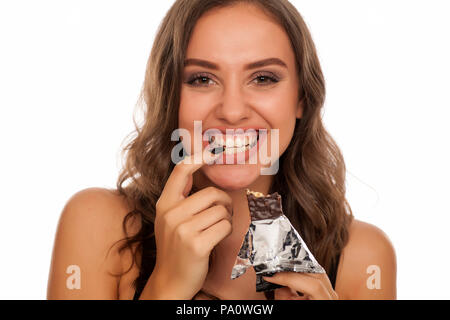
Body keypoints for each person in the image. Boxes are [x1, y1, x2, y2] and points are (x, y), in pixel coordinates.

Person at [47, 0, 396, 300]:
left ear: (302, 98)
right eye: (202, 79)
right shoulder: (99, 225)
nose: (231, 111)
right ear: (172, 97)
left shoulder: (361, 259)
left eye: (263, 78)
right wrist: (166, 286)